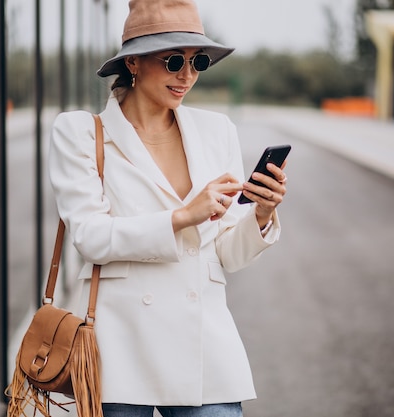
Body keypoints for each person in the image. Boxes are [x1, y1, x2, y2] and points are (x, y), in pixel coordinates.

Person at [48, 1, 288, 416]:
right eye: (174, 59)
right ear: (134, 63)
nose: (187, 74)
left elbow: (227, 254)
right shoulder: (81, 132)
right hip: (121, 350)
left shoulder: (217, 131)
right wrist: (184, 216)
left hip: (204, 353)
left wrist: (261, 215)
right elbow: (89, 237)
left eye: (198, 61)